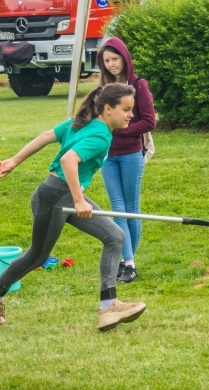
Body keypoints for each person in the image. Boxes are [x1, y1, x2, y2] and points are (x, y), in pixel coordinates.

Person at [0, 83, 146, 331]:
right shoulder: (99, 134)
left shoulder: (83, 122)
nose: (131, 114)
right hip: (55, 197)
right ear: (108, 109)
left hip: (62, 195)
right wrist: (79, 200)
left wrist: (15, 160)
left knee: (115, 236)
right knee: (37, 255)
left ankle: (108, 306)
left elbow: (46, 136)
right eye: (126, 109)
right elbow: (69, 160)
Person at [97, 37, 156, 284]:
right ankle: (128, 262)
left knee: (131, 209)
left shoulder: (138, 85)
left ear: (124, 58)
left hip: (132, 154)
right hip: (108, 156)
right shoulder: (102, 88)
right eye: (106, 60)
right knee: (117, 209)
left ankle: (129, 262)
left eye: (115, 59)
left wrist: (119, 130)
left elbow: (148, 121)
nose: (111, 64)